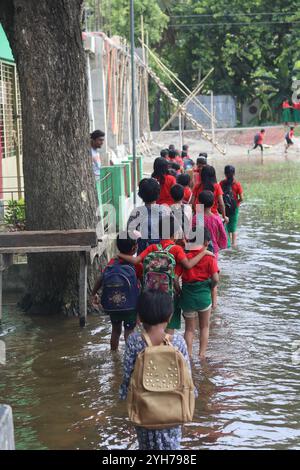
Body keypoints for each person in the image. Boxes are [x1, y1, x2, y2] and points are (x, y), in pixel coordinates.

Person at [119, 290, 193, 450]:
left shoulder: (134, 341)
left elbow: (127, 376)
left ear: (140, 316)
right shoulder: (178, 342)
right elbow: (187, 376)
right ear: (169, 316)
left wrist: (124, 396)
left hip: (144, 408)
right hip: (173, 409)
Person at [119, 214, 214, 333]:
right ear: (174, 235)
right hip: (169, 295)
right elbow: (188, 265)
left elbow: (135, 260)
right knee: (169, 328)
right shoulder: (176, 249)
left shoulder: (153, 247)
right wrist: (204, 253)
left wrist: (119, 255)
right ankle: (167, 349)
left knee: (151, 326)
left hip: (151, 293)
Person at [91, 232, 142, 351]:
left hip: (113, 305)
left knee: (115, 331)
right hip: (131, 306)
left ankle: (114, 356)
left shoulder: (112, 263)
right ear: (134, 248)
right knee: (129, 331)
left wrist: (93, 294)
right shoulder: (136, 265)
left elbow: (101, 279)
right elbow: (143, 283)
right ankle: (129, 357)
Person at [180, 228, 219, 359]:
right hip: (203, 297)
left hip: (187, 296)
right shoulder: (209, 257)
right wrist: (211, 287)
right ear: (207, 243)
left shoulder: (185, 257)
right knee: (204, 327)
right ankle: (202, 355)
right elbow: (215, 279)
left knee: (189, 329)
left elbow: (175, 278)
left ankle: (188, 356)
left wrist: (179, 291)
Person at [127, 178, 170, 254]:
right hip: (164, 255)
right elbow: (176, 233)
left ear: (140, 194)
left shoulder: (136, 212)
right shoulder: (166, 211)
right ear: (158, 193)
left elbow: (130, 233)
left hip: (143, 257)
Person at [193, 190, 227, 262]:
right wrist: (221, 245)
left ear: (199, 203)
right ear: (213, 203)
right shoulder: (217, 219)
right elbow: (223, 234)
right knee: (213, 269)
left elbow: (190, 233)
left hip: (199, 249)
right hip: (213, 249)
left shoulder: (197, 217)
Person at [220, 165, 243, 247]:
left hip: (225, 208)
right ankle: (234, 244)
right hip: (234, 208)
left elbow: (219, 196)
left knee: (226, 225)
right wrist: (237, 204)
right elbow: (241, 198)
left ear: (225, 173)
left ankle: (228, 243)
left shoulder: (221, 183)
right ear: (234, 173)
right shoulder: (237, 184)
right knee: (233, 227)